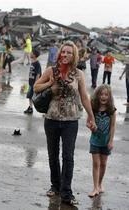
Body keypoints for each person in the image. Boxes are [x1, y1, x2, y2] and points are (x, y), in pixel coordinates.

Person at [34, 41, 96, 206]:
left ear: (74, 55)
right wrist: (49, 84)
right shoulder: (51, 71)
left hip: (70, 121)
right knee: (53, 155)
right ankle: (55, 186)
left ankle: (66, 192)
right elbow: (36, 87)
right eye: (63, 52)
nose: (65, 55)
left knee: (68, 157)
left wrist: (91, 116)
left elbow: (84, 97)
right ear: (59, 54)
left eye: (69, 52)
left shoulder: (78, 74)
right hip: (51, 119)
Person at [88, 84, 116, 197]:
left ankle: (99, 184)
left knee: (103, 164)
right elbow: (88, 122)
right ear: (97, 95)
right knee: (96, 163)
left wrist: (111, 141)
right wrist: (91, 126)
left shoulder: (111, 110)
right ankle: (95, 188)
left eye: (106, 94)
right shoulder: (93, 108)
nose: (103, 97)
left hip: (106, 142)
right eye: (101, 94)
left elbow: (113, 126)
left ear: (109, 97)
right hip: (95, 140)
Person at [24, 48, 41, 114]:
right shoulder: (32, 62)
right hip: (31, 82)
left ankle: (33, 108)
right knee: (30, 96)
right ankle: (30, 108)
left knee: (34, 96)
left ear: (34, 55)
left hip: (34, 83)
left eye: (31, 53)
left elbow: (38, 74)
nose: (30, 53)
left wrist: (36, 83)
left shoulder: (37, 63)